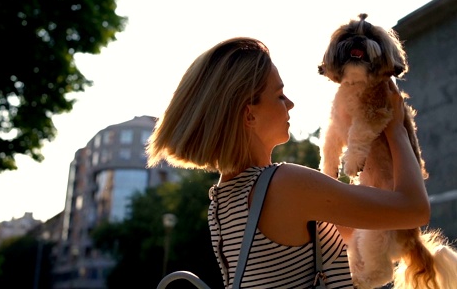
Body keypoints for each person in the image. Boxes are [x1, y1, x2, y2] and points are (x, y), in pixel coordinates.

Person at [146, 37, 430, 288]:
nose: (290, 103)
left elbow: (361, 228)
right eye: (279, 95)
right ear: (249, 115)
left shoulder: (223, 198)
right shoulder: (286, 185)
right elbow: (414, 209)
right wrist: (396, 127)